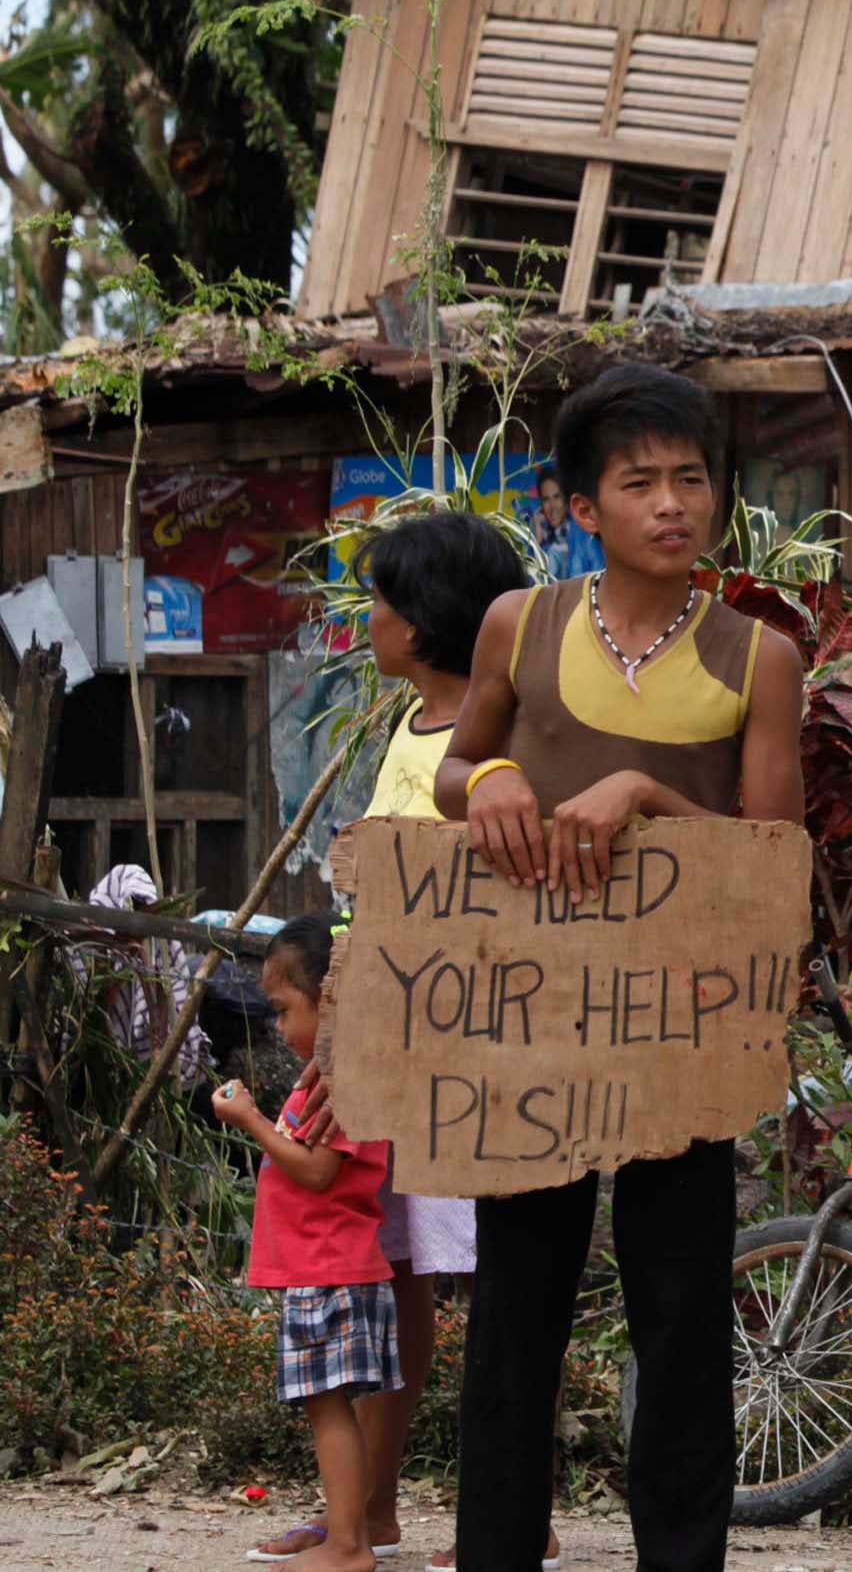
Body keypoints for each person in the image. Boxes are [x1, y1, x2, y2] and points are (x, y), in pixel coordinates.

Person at [434, 364, 805, 1572]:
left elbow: (771, 861)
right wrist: (487, 782)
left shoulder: (760, 658)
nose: (671, 505)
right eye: (638, 481)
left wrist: (647, 790)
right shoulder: (517, 624)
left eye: (691, 478)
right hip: (531, 1029)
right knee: (512, 1327)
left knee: (683, 1323)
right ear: (580, 505)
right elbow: (455, 762)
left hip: (684, 1035)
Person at [265, 512, 559, 1569]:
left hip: (473, 1058)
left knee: (493, 1277)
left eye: (384, 599)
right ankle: (372, 1509)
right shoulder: (413, 728)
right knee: (402, 1273)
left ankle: (520, 1512)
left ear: (427, 622)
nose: (371, 617)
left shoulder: (505, 744)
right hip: (392, 1049)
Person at [216, 915, 404, 1572]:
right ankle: (346, 1533)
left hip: (333, 1268)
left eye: (281, 1008)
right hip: (324, 1266)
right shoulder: (322, 1072)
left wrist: (252, 1120)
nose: (275, 1025)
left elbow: (319, 1169)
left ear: (327, 1001)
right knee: (328, 1408)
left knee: (329, 1409)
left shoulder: (346, 1074)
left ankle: (350, 1544)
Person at [529, 469, 603, 581]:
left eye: (557, 497)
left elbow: (600, 576)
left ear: (567, 499)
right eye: (546, 499)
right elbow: (530, 588)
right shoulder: (542, 540)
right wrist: (537, 543)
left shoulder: (585, 533)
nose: (552, 506)